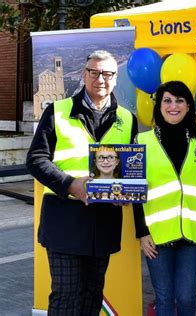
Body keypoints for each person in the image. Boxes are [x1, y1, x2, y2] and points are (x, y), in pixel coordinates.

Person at [26, 50, 138, 315]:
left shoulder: (128, 118)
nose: (101, 78)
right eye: (94, 72)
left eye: (107, 73)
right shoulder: (58, 111)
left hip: (103, 225)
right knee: (66, 298)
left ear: (115, 77)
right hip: (65, 223)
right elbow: (36, 159)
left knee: (91, 296)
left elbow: (131, 168)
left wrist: (128, 188)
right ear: (84, 74)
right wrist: (71, 184)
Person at [133, 81, 196, 316]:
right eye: (167, 100)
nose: (173, 106)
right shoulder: (142, 141)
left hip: (194, 232)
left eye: (179, 100)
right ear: (159, 106)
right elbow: (135, 191)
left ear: (188, 106)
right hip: (157, 236)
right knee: (164, 298)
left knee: (186, 297)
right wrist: (141, 232)